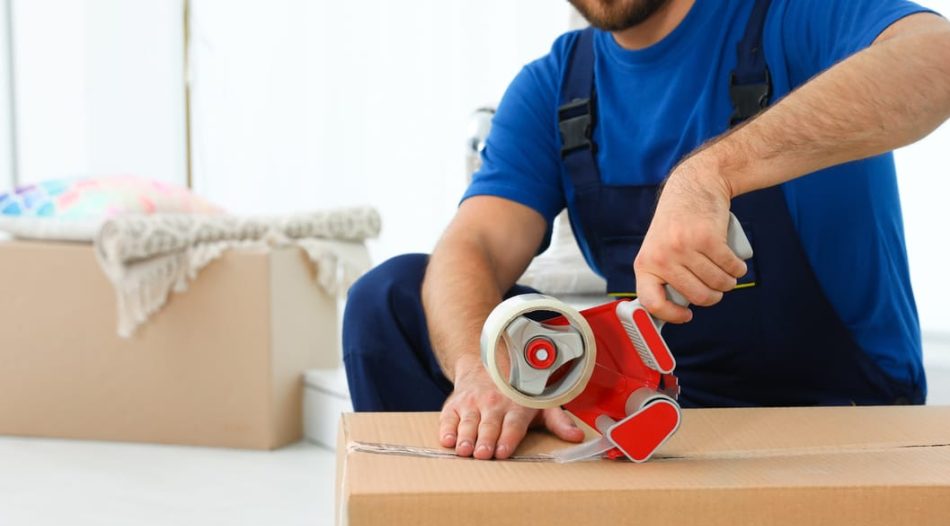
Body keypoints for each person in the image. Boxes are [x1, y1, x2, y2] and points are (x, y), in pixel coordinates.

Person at [343, 0, 950, 460]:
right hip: (651, 400)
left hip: (832, 406)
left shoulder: (794, 15)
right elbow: (471, 244)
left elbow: (936, 58)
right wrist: (484, 369)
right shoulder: (556, 83)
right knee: (389, 299)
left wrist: (712, 174)